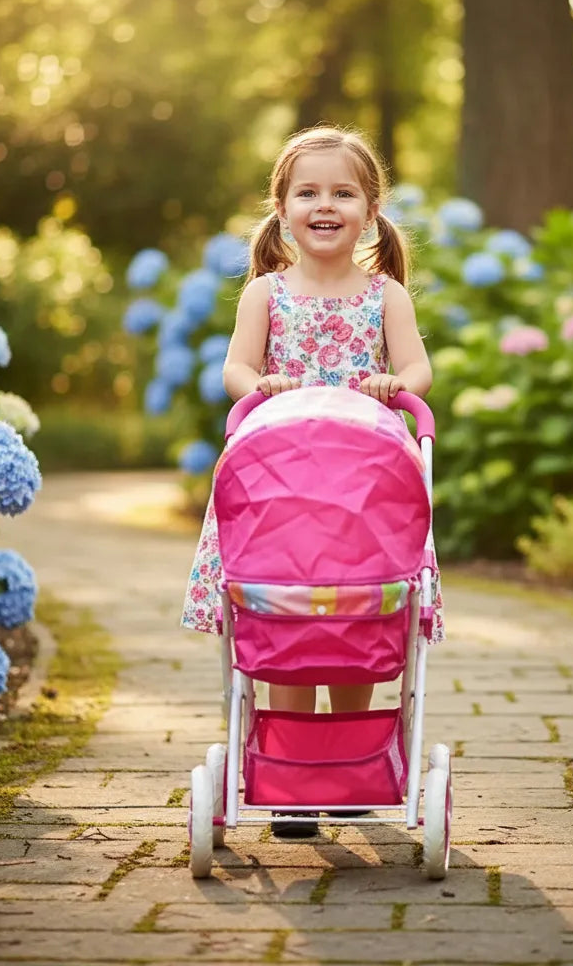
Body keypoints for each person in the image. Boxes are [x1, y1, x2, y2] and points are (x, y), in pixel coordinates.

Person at [180, 127, 443, 832]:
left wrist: (395, 383)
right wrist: (261, 384)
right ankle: (292, 774)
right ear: (282, 207)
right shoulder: (267, 294)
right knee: (286, 621)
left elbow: (418, 370)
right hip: (281, 494)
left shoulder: (385, 297)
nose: (325, 205)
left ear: (370, 209)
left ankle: (353, 767)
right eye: (308, 193)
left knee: (361, 620)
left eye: (343, 193)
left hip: (362, 499)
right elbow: (235, 369)